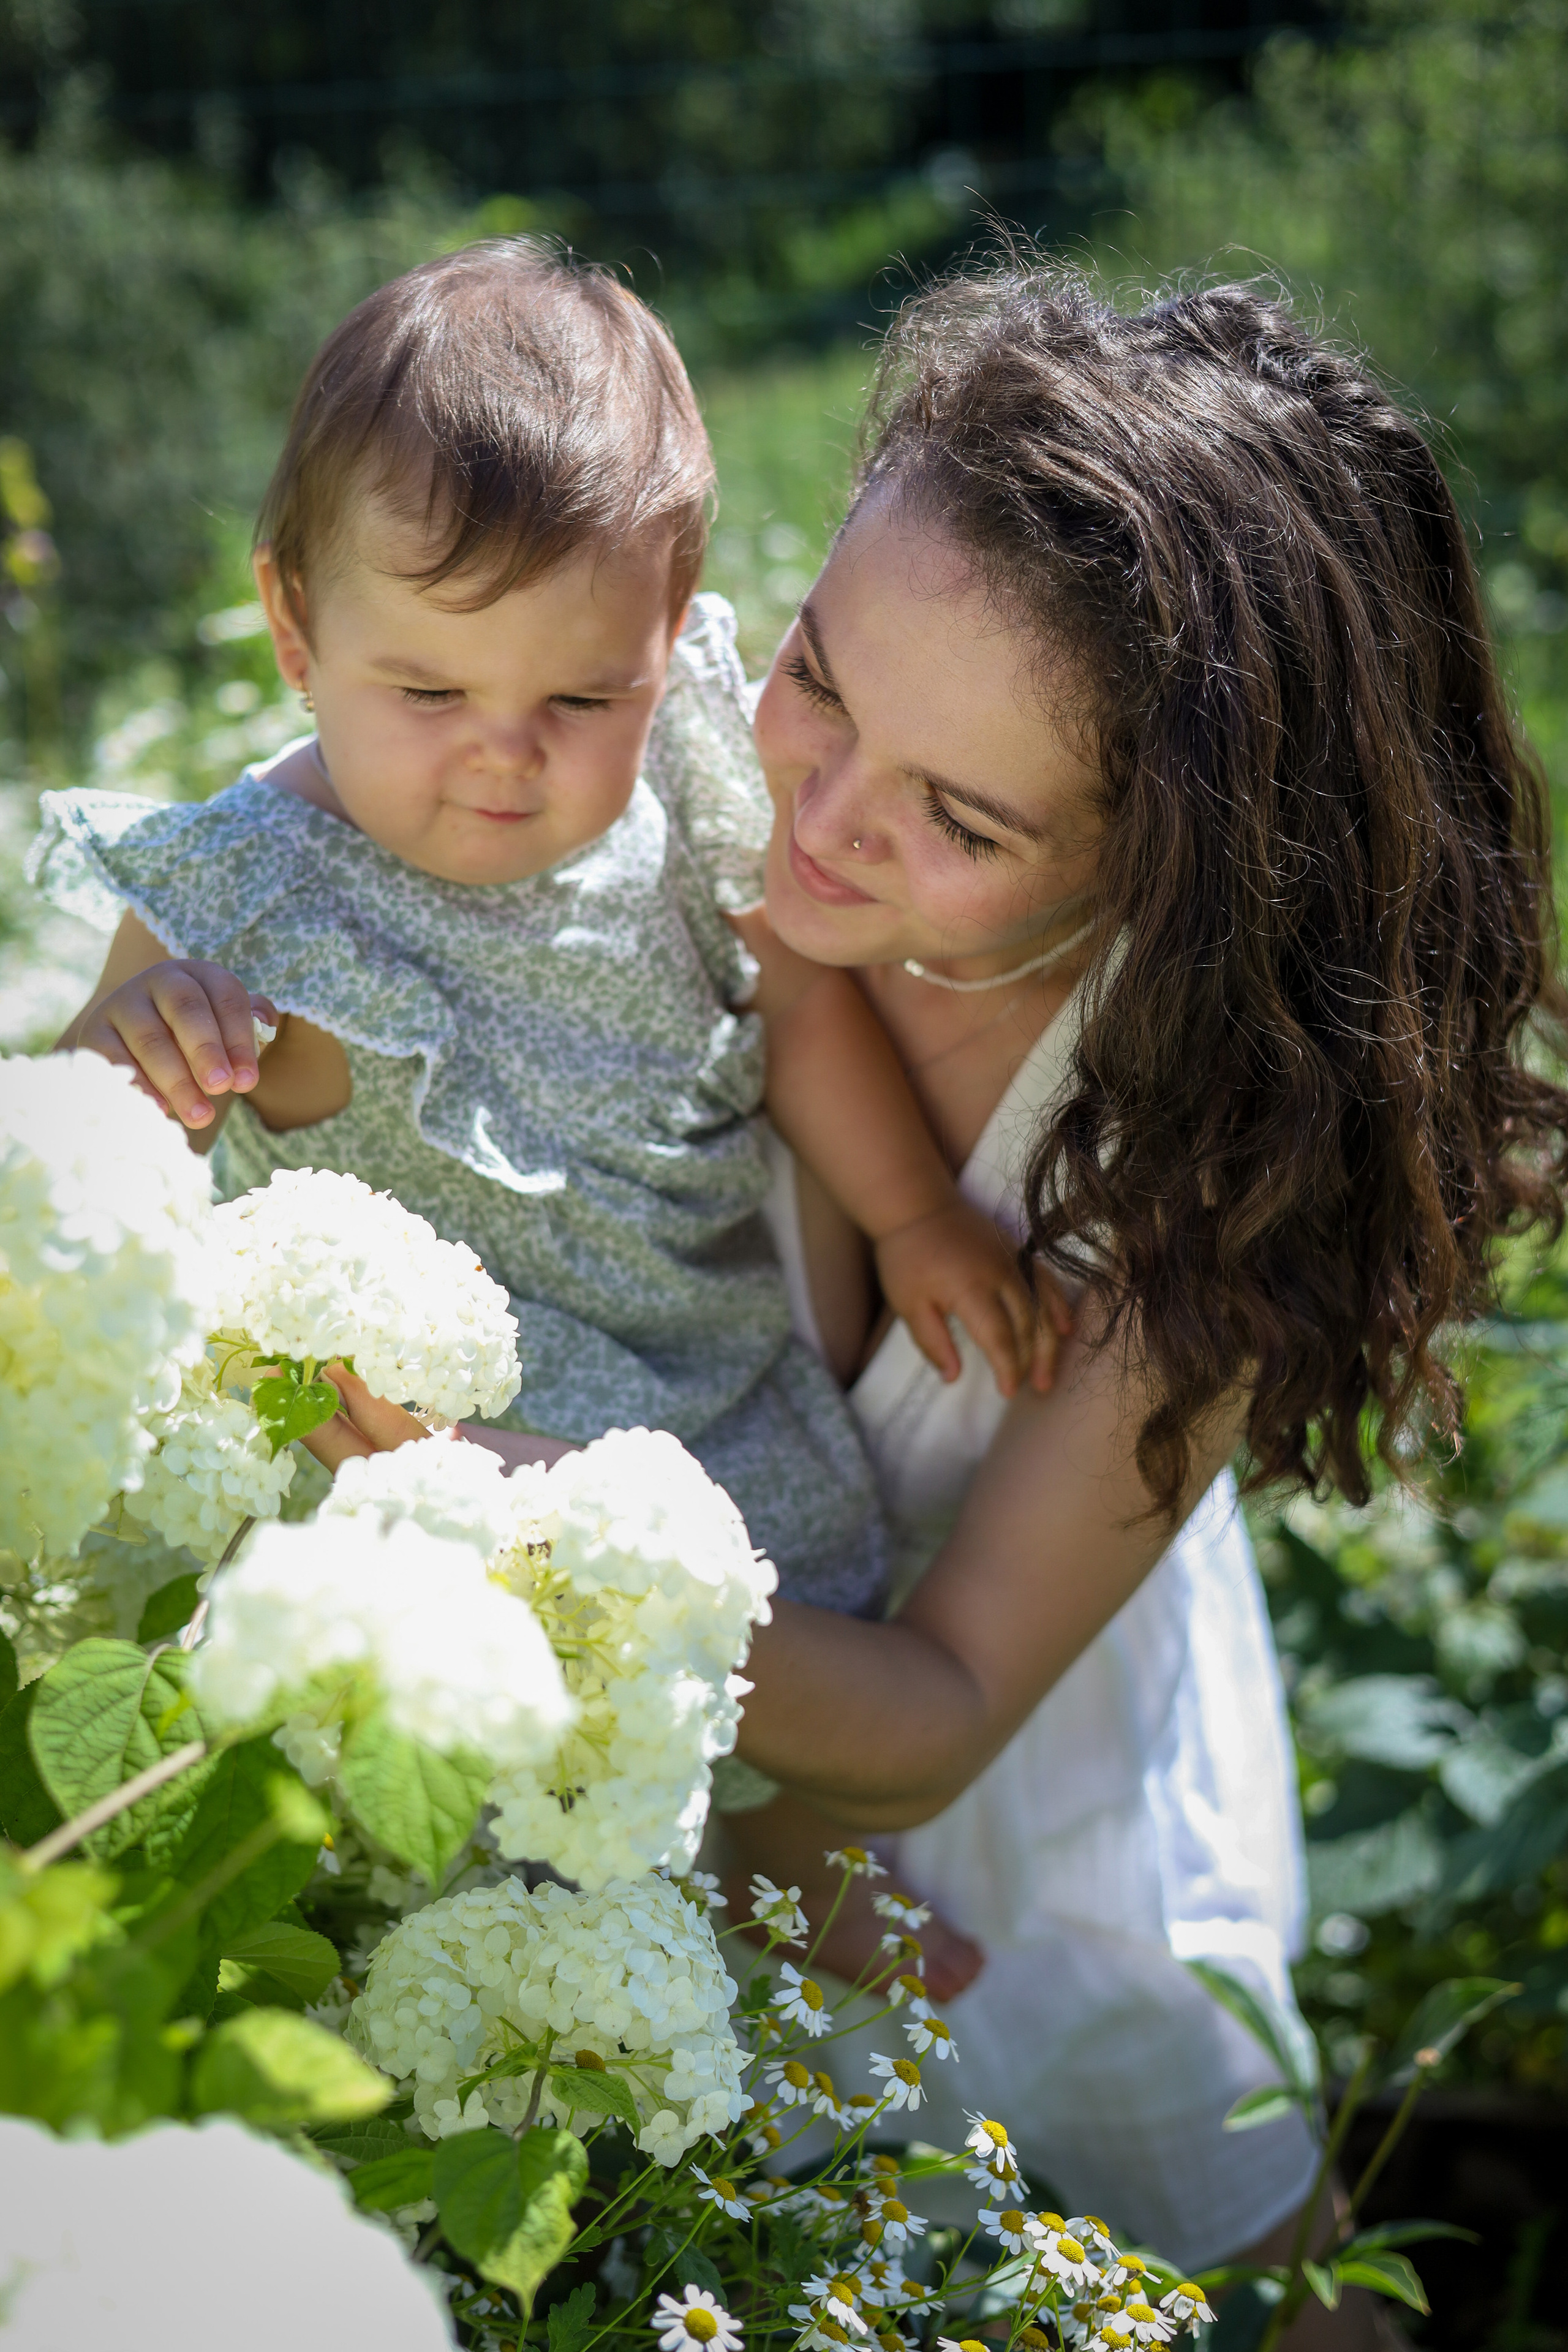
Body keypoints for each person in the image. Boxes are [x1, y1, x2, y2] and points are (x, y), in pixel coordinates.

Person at [298, 262, 1566, 2335]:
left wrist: (513, 1515)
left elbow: (940, 1722)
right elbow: (353, 747)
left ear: (1183, 864)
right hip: (627, 1774)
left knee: (1217, 2237)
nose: (813, 811)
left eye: (960, 817)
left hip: (1014, 1762)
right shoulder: (642, 755)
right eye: (821, 673)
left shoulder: (1223, 1169)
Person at [36, 237, 1065, 1619]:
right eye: (429, 693)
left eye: (582, 702)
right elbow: (84, 1183)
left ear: (664, 643)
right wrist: (128, 1057)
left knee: (768, 1700)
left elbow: (799, 1008)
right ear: (295, 630)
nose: (505, 758)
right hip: (415, 1484)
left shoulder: (674, 798)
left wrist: (913, 1213)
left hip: (715, 1418)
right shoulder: (241, 899)